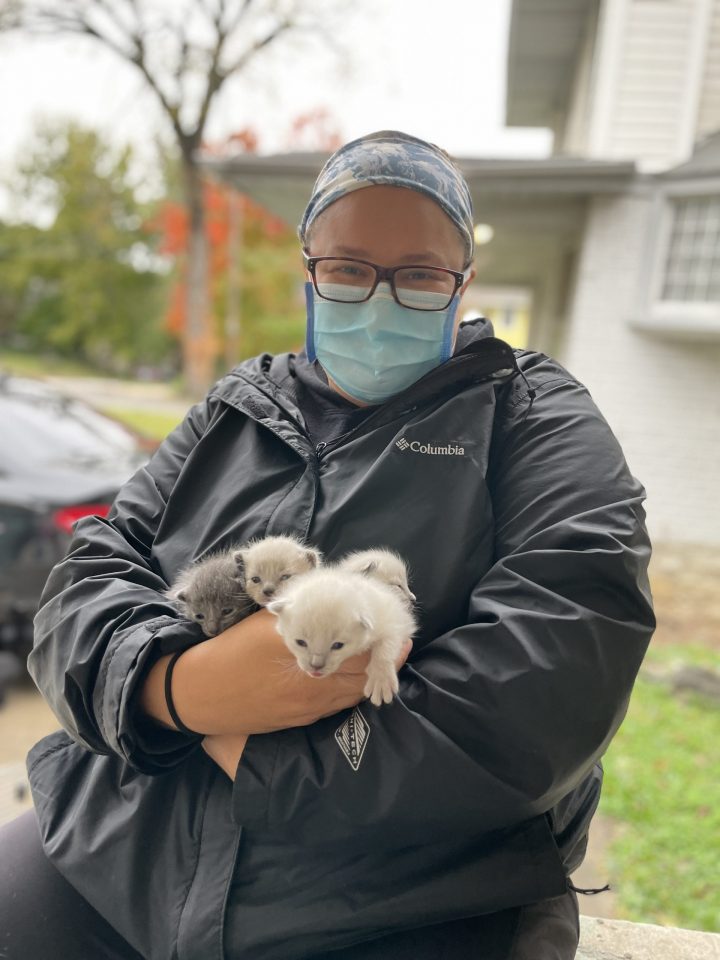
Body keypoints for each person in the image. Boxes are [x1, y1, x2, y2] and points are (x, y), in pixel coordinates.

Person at [0, 130, 655, 960]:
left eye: (419, 274)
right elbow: (89, 572)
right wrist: (175, 688)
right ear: (309, 272)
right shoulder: (232, 409)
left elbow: (561, 659)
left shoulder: (531, 416)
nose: (379, 300)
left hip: (411, 906)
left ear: (464, 283)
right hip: (113, 852)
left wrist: (257, 752)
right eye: (347, 268)